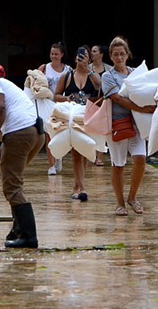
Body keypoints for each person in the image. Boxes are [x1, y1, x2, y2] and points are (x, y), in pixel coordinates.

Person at [0, 63, 45, 248]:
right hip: (36, 134)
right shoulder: (11, 87)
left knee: (12, 187)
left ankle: (28, 237)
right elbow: (8, 145)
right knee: (14, 182)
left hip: (21, 134)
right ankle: (16, 230)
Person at [101, 36, 156, 216]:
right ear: (110, 56)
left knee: (140, 158)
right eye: (115, 54)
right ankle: (119, 203)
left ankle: (132, 197)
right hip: (117, 124)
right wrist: (141, 107)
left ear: (127, 54)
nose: (119, 58)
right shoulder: (107, 76)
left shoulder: (135, 73)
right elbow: (117, 98)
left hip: (136, 124)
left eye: (122, 54)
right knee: (119, 164)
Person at [54, 45, 101, 201]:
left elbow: (99, 86)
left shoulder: (92, 75)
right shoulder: (66, 76)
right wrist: (69, 98)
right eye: (80, 56)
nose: (82, 58)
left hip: (87, 116)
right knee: (75, 153)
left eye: (86, 56)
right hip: (72, 117)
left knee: (85, 151)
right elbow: (56, 95)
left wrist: (88, 69)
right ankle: (82, 188)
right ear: (75, 58)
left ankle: (77, 185)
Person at [38, 42, 71, 175]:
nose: (54, 56)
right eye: (52, 53)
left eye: (56, 54)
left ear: (62, 55)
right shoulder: (44, 67)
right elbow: (34, 81)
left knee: (61, 134)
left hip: (62, 105)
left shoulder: (68, 70)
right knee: (49, 134)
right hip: (46, 104)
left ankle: (59, 157)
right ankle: (51, 164)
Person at [89, 44, 113, 167]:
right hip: (90, 101)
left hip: (104, 101)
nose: (92, 53)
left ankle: (99, 157)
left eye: (94, 51)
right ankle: (91, 154)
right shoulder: (87, 68)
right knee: (90, 128)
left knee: (102, 130)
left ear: (101, 54)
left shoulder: (109, 69)